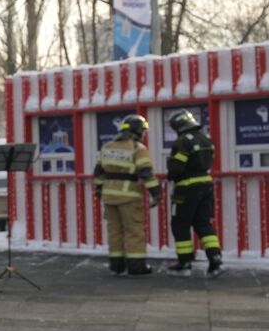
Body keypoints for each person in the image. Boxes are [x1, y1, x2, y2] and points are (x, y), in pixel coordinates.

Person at [93, 114, 161, 275]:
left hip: (109, 196)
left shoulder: (107, 147)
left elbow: (99, 172)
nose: (143, 135)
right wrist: (156, 193)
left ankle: (117, 265)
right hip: (129, 196)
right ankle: (136, 266)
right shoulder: (137, 148)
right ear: (137, 131)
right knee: (133, 230)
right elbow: (146, 173)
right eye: (142, 131)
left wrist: (99, 190)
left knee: (115, 231)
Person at [166, 110, 222, 275]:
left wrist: (170, 174)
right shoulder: (206, 139)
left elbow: (176, 168)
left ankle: (184, 264)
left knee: (180, 224)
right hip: (206, 184)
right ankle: (215, 258)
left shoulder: (182, 142)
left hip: (186, 188)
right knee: (203, 223)